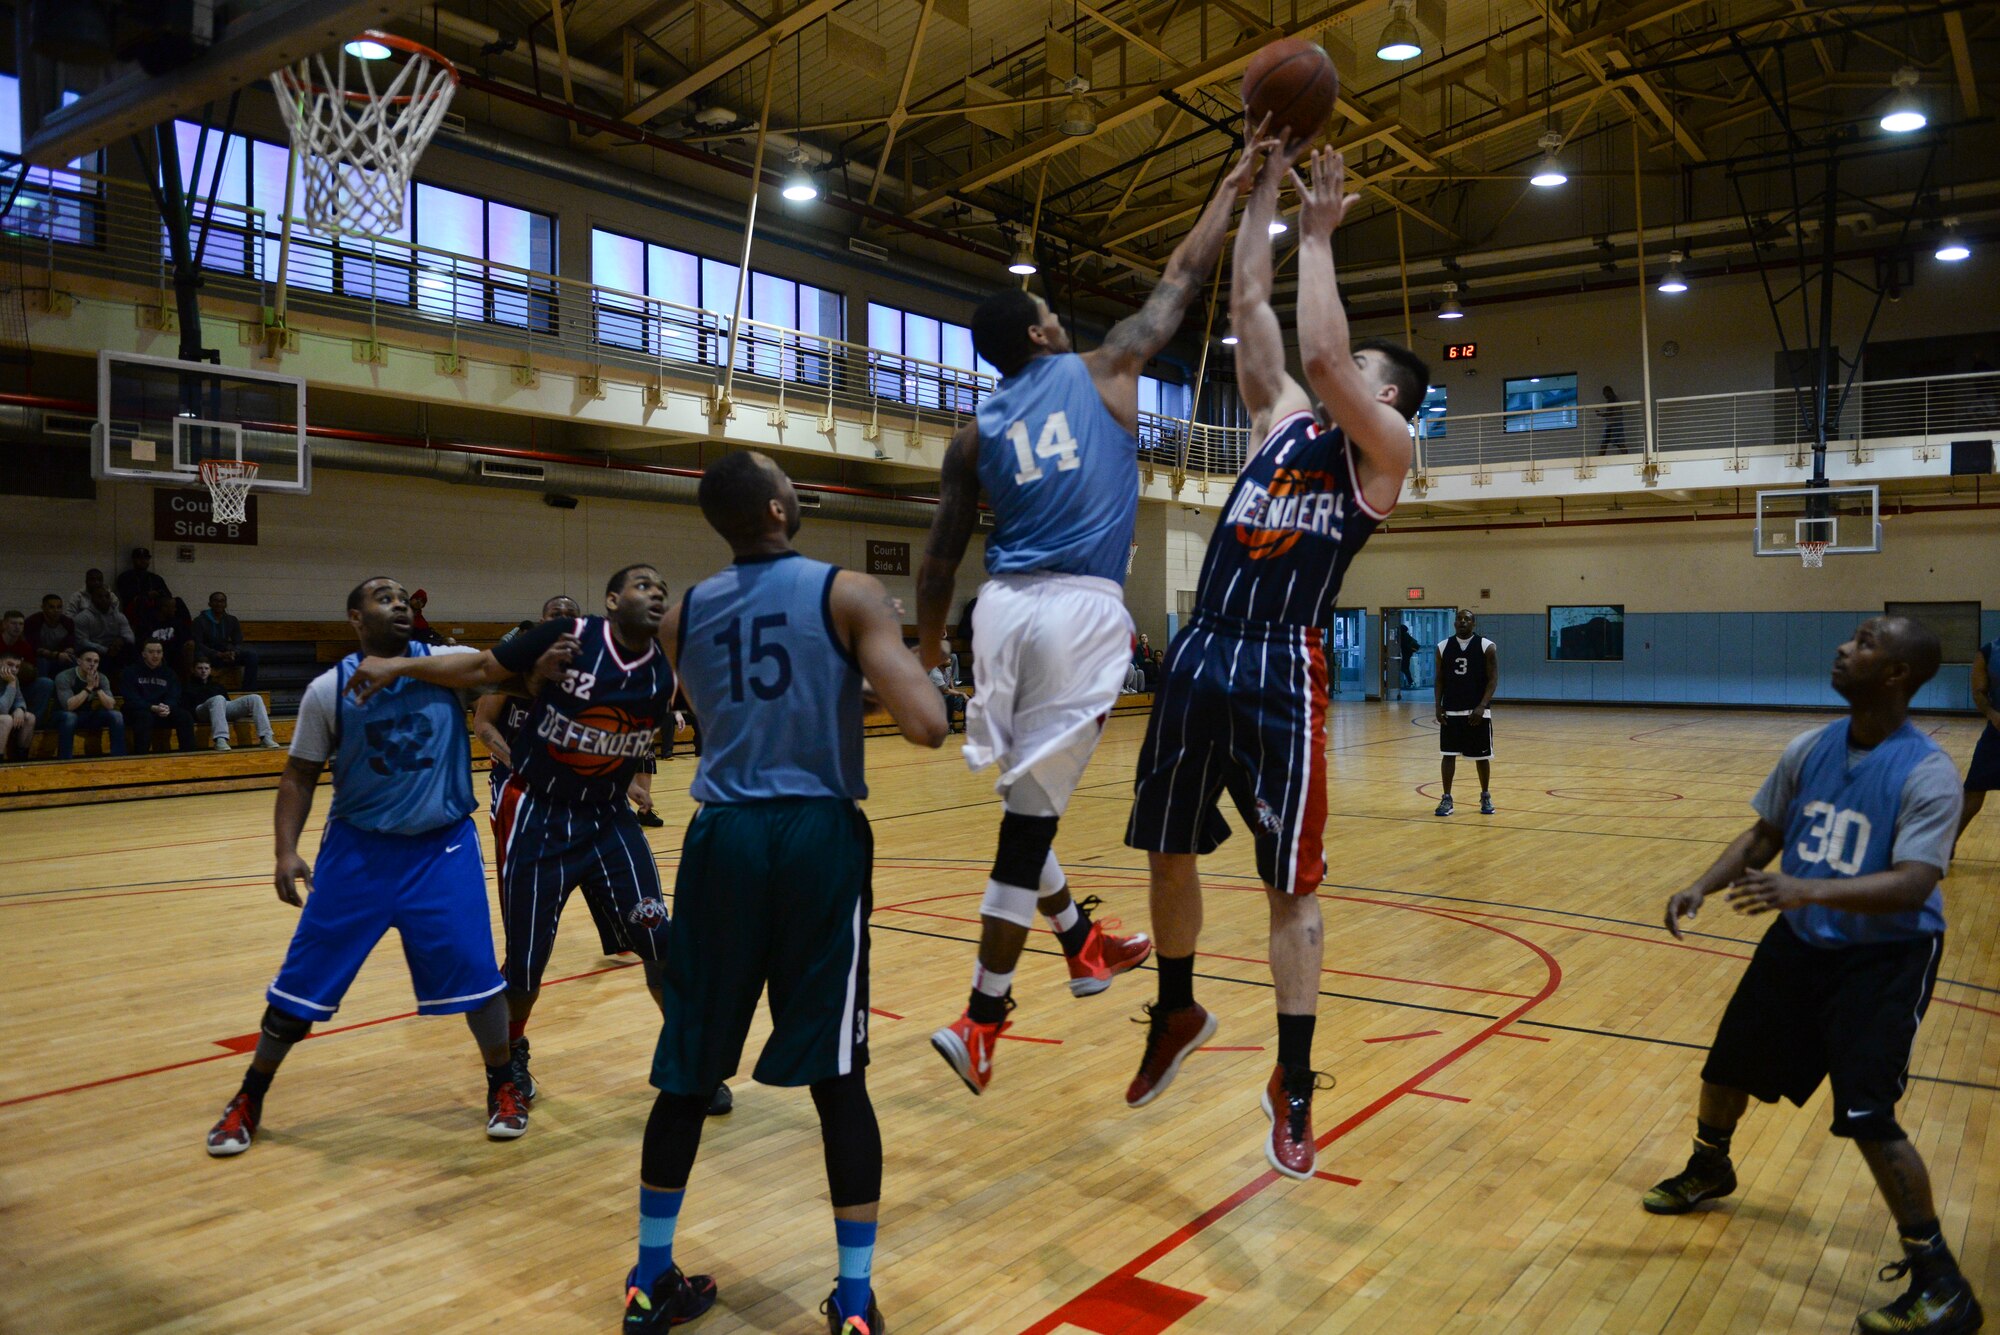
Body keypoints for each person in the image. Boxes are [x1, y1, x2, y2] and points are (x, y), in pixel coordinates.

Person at [910, 123, 1274, 1097]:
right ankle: (984, 1017)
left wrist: (934, 649)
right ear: (1037, 334)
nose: (1056, 314)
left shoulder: (969, 434)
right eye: (1045, 307)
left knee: (1023, 803)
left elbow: (938, 559)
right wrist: (1230, 189)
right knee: (1022, 831)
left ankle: (1081, 943)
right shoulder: (1105, 370)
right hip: (1077, 613)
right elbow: (1180, 279)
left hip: (998, 615)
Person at [1121, 145, 1429, 1179]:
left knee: (1287, 887)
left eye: (1367, 381)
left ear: (1394, 405)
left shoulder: (1382, 455)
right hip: (1203, 646)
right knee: (1166, 846)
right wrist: (1259, 184)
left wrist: (1322, 235)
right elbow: (1249, 300)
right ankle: (1174, 1007)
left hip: (1280, 665)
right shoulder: (1273, 425)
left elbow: (1332, 362)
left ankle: (1292, 1081)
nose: (1338, 378)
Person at [620, 450, 946, 1333]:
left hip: (721, 834)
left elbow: (719, 710)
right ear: (774, 506)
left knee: (688, 1072)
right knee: (838, 1074)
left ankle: (649, 1282)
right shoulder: (844, 591)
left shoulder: (682, 613)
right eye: (788, 481)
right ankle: (853, 1300)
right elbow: (927, 722)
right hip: (813, 834)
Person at [1647, 617, 1980, 1335]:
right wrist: (1701, 885)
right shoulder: (1811, 747)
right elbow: (1766, 833)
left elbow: (1914, 881)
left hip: (1886, 956)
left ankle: (1941, 1280)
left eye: (1864, 643)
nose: (1843, 649)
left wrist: (1804, 889)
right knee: (1726, 1064)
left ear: (1896, 674)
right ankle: (1710, 1165)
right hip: (1801, 941)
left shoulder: (1926, 771)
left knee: (1867, 1114)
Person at [350, 565, 731, 1117]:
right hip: (541, 814)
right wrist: (397, 663)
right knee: (526, 964)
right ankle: (509, 1062)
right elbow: (482, 668)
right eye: (642, 585)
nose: (656, 594)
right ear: (611, 598)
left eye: (662, 589)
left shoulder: (668, 672)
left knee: (661, 942)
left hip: (606, 820)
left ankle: (688, 1060)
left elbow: (653, 739)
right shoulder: (568, 636)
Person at [203, 576, 557, 1156]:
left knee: (478, 978)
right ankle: (249, 1095)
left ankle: (503, 1085)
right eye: (382, 599)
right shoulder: (327, 689)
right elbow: (298, 774)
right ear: (355, 618)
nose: (397, 605)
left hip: (441, 850)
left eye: (401, 598)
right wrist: (284, 849)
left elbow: (500, 671)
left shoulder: (446, 661)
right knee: (301, 984)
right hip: (358, 853)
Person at [475, 597, 634, 955]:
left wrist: (632, 782)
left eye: (570, 615)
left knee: (595, 850)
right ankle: (519, 942)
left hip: (574, 781)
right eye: (555, 615)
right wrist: (516, 761)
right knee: (515, 865)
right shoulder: (515, 661)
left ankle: (619, 935)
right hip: (515, 781)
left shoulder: (591, 671)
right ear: (543, 620)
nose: (563, 620)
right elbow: (483, 724)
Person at [1434, 609, 1498, 816]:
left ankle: (1485, 795)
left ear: (1474, 624)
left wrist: (1482, 706)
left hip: (1476, 712)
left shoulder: (1486, 646)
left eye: (1467, 619)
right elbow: (1440, 680)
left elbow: (1493, 679)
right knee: (1448, 755)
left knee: (1482, 757)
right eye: (1459, 619)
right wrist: (1438, 705)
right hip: (1451, 710)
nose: (1463, 622)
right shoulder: (1443, 647)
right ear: (1454, 623)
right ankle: (1446, 798)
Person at [1957, 629, 1999, 849]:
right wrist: (1992, 714)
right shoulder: (1988, 652)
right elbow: (1979, 692)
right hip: (1997, 734)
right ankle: (1945, 848)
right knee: (1973, 792)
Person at [121, 639, 197, 754]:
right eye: (151, 652)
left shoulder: (169, 673)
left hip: (162, 710)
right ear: (143, 654)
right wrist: (151, 707)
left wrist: (167, 706)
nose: (155, 655)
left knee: (185, 716)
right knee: (144, 718)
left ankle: (189, 756)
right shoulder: (130, 672)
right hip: (139, 711)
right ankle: (141, 758)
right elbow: (131, 698)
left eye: (158, 652)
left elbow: (174, 695)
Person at [186, 658, 278, 750]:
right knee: (218, 698)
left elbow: (227, 702)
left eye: (206, 668)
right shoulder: (188, 686)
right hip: (201, 711)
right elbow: (187, 707)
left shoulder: (216, 685)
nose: (203, 671)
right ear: (193, 669)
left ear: (210, 670)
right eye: (200, 668)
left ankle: (266, 737)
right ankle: (220, 739)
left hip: (221, 708)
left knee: (255, 698)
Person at [51, 649, 126, 758]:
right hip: (61, 715)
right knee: (70, 717)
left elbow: (110, 705)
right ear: (79, 661)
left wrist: (98, 688)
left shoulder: (102, 678)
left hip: (86, 715)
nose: (92, 664)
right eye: (88, 660)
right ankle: (65, 761)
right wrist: (89, 687)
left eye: (96, 662)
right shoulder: (65, 676)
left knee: (116, 715)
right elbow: (69, 706)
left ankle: (119, 758)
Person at [193, 591, 260, 689]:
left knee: (251, 655)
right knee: (198, 655)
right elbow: (198, 644)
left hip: (226, 654)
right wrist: (217, 654)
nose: (219, 604)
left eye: (222, 601)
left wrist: (233, 652)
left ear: (225, 604)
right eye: (215, 601)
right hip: (209, 655)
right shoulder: (199, 621)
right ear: (209, 604)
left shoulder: (231, 620)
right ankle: (200, 688)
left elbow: (238, 641)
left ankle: (248, 690)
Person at [0, 612, 53, 726]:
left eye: (21, 624)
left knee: (46, 683)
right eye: (13, 623)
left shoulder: (25, 646)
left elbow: (32, 673)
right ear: (4, 624)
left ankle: (33, 724)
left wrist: (24, 671)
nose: (17, 627)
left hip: (17, 685)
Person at [73, 584, 136, 676]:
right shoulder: (83, 617)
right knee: (93, 655)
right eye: (100, 596)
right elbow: (82, 642)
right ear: (92, 599)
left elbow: (130, 637)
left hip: (115, 649)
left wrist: (122, 640)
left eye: (106, 596)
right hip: (96, 651)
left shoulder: (119, 616)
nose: (104, 599)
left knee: (130, 647)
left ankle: (132, 678)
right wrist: (105, 650)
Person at [24, 594, 79, 682]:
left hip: (60, 657)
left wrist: (69, 649)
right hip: (39, 658)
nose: (56, 610)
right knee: (42, 661)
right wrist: (56, 655)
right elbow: (34, 648)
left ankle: (74, 689)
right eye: (51, 607)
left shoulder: (67, 622)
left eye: (59, 607)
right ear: (43, 607)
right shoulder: (32, 622)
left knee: (73, 660)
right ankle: (44, 686)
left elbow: (71, 642)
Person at [0, 653, 37, 761]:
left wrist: (19, 709)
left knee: (29, 717)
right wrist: (11, 684)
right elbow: (2, 709)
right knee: (6, 720)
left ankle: (21, 760)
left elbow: (19, 700)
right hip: (2, 715)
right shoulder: (12, 680)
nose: (14, 669)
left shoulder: (13, 679)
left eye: (17, 667)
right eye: (10, 665)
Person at [114, 546, 170, 616]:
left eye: (146, 558)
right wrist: (147, 595)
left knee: (177, 601)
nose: (143, 561)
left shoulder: (155, 578)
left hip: (156, 612)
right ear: (133, 560)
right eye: (139, 558)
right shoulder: (125, 577)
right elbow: (127, 597)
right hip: (135, 612)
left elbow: (168, 595)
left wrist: (157, 594)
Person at [1597, 385, 1629, 455]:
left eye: (1604, 393)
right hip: (1614, 424)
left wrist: (1601, 414)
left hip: (1613, 424)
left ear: (1608, 392)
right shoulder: (1615, 399)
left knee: (1610, 442)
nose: (1604, 395)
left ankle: (1600, 458)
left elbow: (1610, 413)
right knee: (1615, 442)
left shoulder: (1612, 399)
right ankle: (1600, 457)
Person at [1395, 616, 1420, 688]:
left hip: (1406, 654)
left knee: (1404, 668)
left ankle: (1411, 682)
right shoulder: (1407, 635)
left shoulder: (1403, 637)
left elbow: (1403, 645)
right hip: (1408, 654)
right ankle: (1410, 682)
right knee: (1405, 668)